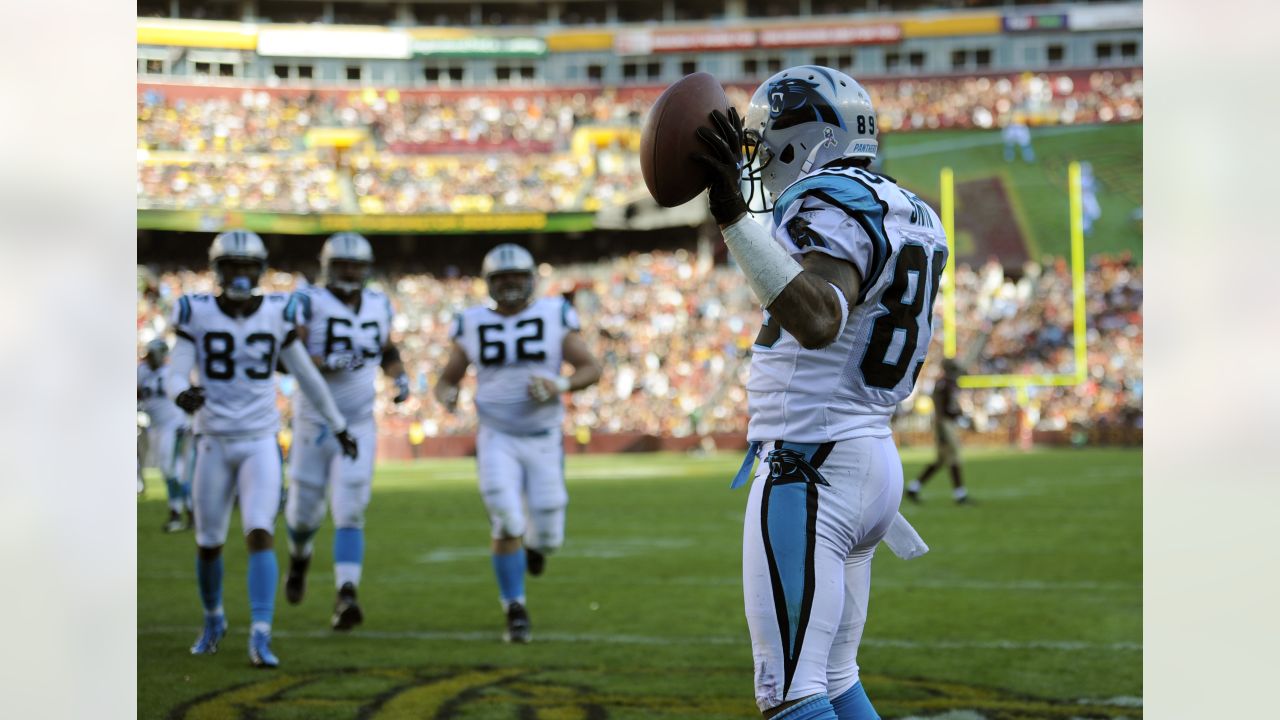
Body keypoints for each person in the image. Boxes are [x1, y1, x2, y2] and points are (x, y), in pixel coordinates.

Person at [692, 65, 948, 719]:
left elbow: (819, 319)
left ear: (802, 138)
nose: (754, 157)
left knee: (789, 693)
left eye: (762, 140)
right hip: (863, 458)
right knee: (833, 678)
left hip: (814, 462)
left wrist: (729, 213)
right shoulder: (908, 206)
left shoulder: (827, 198)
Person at [168, 229, 358, 668]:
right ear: (218, 270)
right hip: (212, 440)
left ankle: (260, 632)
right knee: (209, 542)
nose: (239, 274)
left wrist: (339, 424)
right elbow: (176, 372)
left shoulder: (277, 312)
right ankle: (214, 618)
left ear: (258, 269)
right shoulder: (194, 312)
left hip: (258, 441)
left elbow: (308, 377)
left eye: (246, 266)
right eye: (231, 266)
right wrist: (182, 393)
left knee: (260, 531)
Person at [433, 243, 602, 644]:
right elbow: (446, 379)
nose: (509, 284)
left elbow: (591, 367)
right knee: (506, 521)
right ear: (489, 283)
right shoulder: (471, 322)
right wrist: (446, 396)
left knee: (548, 537)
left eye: (516, 277)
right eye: (501, 278)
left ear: (530, 279)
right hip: (497, 437)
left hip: (543, 438)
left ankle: (536, 548)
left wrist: (559, 384)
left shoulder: (553, 313)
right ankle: (515, 608)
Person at [282, 232, 411, 631]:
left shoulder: (377, 302)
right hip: (313, 423)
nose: (351, 272)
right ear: (328, 268)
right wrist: (323, 361)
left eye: (356, 265)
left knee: (351, 508)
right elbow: (287, 359)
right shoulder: (307, 301)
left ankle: (346, 593)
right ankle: (300, 560)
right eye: (343, 266)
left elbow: (387, 350)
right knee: (304, 515)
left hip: (357, 423)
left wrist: (399, 377)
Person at [137, 338, 194, 532]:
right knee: (169, 470)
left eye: (152, 354)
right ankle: (188, 510)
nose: (149, 358)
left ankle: (177, 513)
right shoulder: (142, 371)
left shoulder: (170, 373)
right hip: (156, 427)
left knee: (172, 470)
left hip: (174, 425)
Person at [906, 359, 971, 504]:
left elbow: (952, 405)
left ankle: (913, 488)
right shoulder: (943, 384)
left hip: (949, 423)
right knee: (954, 457)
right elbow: (941, 409)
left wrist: (959, 413)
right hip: (944, 424)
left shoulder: (952, 383)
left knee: (940, 461)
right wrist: (942, 431)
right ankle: (960, 495)